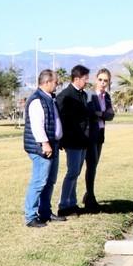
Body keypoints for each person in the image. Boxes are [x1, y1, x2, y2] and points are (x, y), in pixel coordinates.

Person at [22, 69, 63, 228]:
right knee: (39, 181)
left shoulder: (49, 98)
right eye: (55, 82)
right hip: (43, 147)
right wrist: (45, 143)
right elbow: (37, 126)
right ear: (47, 82)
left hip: (53, 145)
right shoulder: (37, 100)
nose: (57, 84)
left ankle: (45, 211)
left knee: (50, 181)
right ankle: (31, 216)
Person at [56, 64, 94, 217]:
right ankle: (64, 205)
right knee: (72, 172)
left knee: (76, 172)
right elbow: (60, 119)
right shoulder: (65, 96)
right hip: (72, 141)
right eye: (85, 79)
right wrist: (62, 140)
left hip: (83, 140)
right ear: (77, 79)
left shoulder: (83, 95)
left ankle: (72, 203)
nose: (87, 82)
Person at [83, 68, 115, 212]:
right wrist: (102, 114)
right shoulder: (90, 95)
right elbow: (90, 113)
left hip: (100, 134)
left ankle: (88, 195)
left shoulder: (106, 96)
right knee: (91, 166)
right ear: (96, 80)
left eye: (106, 80)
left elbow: (110, 115)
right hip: (90, 135)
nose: (103, 83)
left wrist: (100, 114)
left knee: (94, 166)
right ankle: (90, 197)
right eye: (100, 79)